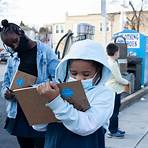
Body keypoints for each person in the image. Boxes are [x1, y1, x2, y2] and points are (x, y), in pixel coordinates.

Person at [35, 39, 115, 148]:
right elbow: (39, 127)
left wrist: (55, 102)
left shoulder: (104, 94)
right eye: (74, 73)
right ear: (66, 69)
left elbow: (87, 126)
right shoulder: (58, 89)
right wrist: (40, 104)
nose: (79, 78)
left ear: (99, 71)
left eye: (86, 74)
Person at [0, 19, 59, 148]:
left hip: (40, 110)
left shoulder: (45, 52)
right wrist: (7, 93)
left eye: (15, 41)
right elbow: (6, 82)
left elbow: (58, 79)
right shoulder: (13, 58)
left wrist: (36, 89)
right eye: (10, 45)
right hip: (19, 112)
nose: (14, 47)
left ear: (21, 33)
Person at [106, 43, 129, 138]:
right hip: (114, 89)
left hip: (110, 89)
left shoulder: (108, 61)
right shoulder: (113, 63)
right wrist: (127, 82)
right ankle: (113, 130)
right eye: (118, 51)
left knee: (112, 111)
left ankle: (113, 129)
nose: (119, 53)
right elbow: (118, 79)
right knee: (115, 111)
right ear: (115, 52)